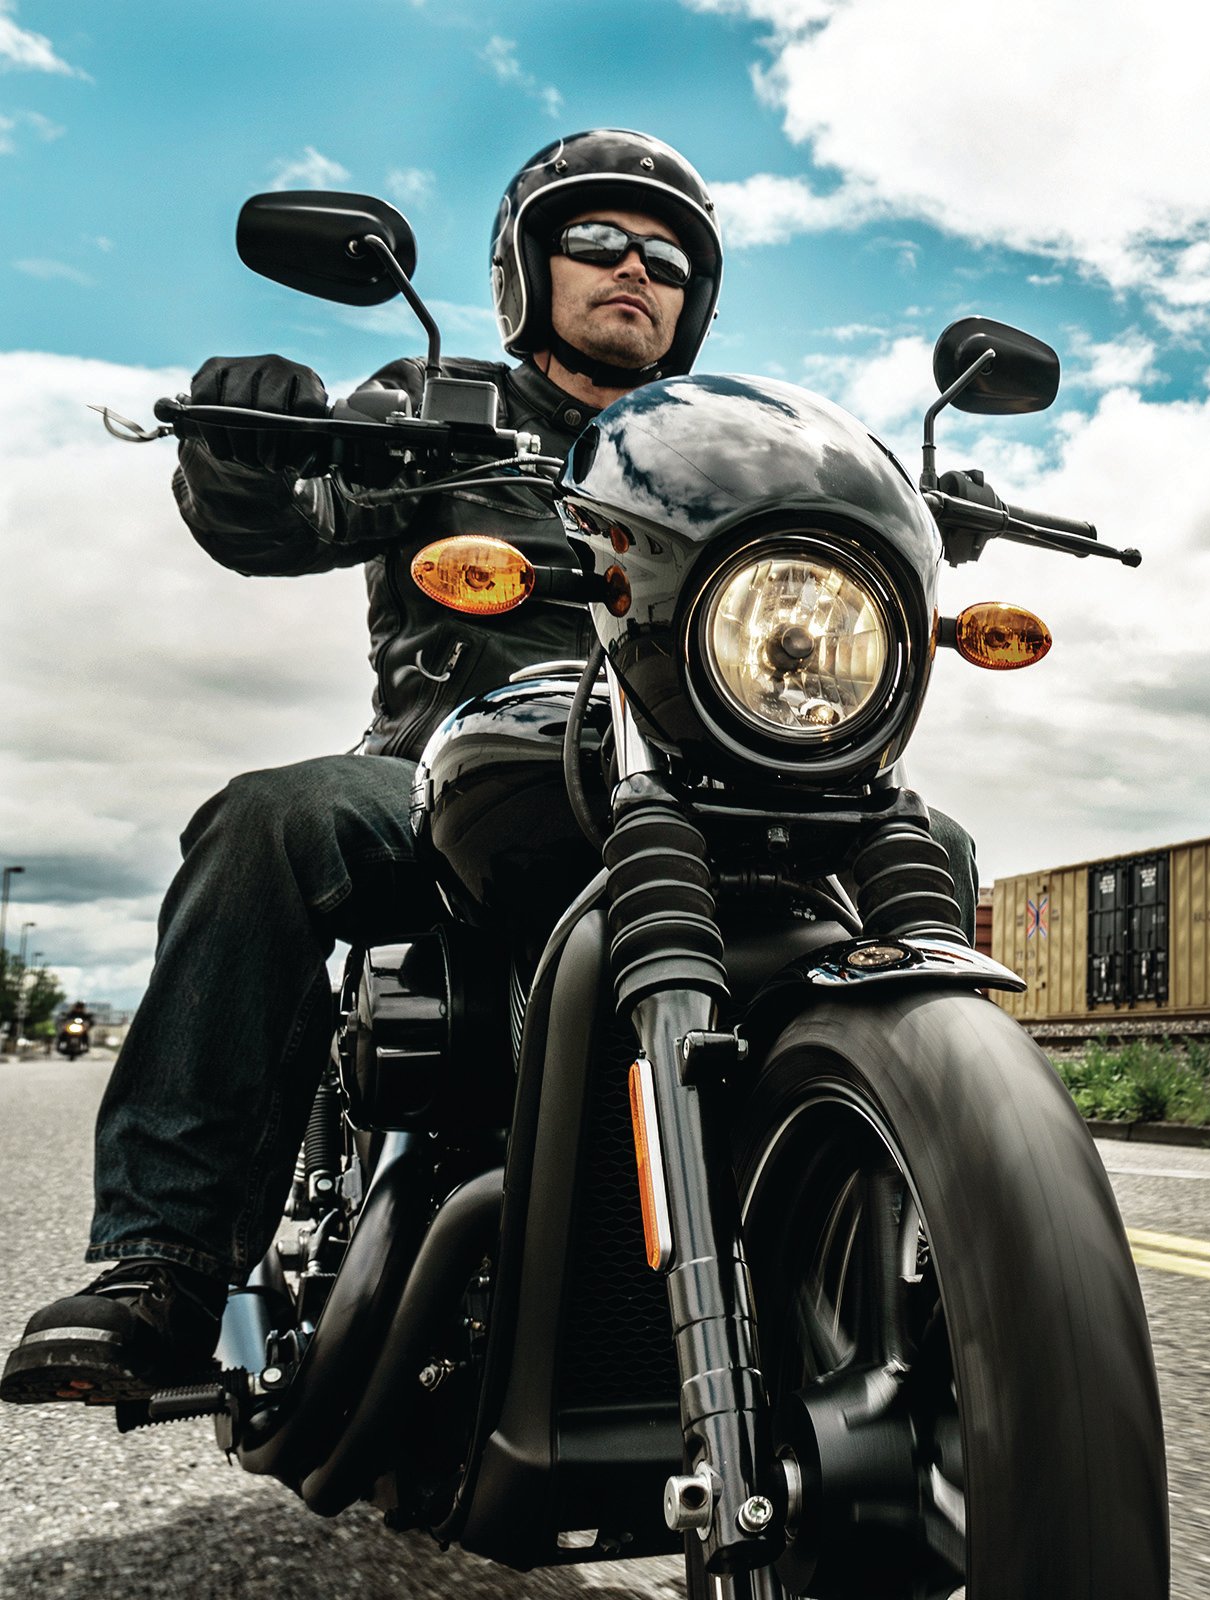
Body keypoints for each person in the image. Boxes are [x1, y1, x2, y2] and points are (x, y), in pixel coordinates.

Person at [3, 130, 977, 1407]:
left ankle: (934, 1249)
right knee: (271, 824)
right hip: (455, 770)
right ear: (529, 268)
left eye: (669, 255)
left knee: (930, 840)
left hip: (707, 785)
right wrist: (254, 439)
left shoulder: (726, 452)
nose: (637, 266)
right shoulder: (434, 405)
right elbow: (275, 518)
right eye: (598, 240)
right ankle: (167, 1263)